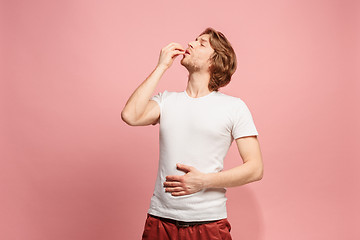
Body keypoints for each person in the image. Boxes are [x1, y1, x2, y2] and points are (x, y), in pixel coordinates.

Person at [121, 27, 264, 240]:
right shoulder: (166, 100)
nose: (191, 44)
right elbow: (130, 115)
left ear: (215, 61)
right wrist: (161, 67)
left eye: (201, 43)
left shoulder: (235, 107)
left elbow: (255, 168)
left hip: (208, 224)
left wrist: (204, 181)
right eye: (194, 40)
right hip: (160, 220)